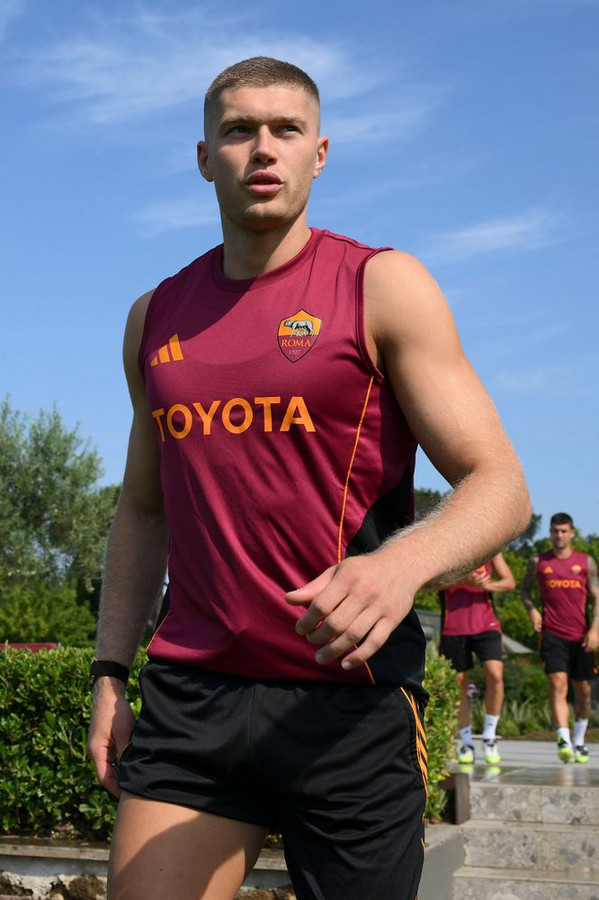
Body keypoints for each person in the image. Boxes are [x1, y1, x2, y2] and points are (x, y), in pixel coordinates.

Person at [87, 56, 531, 900]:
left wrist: (398, 566)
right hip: (194, 697)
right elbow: (144, 511)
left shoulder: (381, 286)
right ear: (204, 156)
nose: (263, 148)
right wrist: (110, 669)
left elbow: (501, 485)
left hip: (348, 702)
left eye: (285, 129)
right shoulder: (153, 317)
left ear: (318, 154)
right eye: (238, 130)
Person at [521, 512, 599, 763]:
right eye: (555, 531)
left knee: (584, 691)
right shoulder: (538, 561)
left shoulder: (586, 562)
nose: (559, 535)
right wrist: (532, 610)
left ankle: (579, 741)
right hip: (553, 634)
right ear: (550, 533)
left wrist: (595, 630)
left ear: (572, 533)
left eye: (564, 531)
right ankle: (563, 740)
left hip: (581, 636)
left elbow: (597, 598)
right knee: (558, 685)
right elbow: (525, 591)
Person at [439, 553, 515, 765]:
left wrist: (487, 585)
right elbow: (430, 583)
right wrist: (463, 580)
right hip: (453, 626)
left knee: (495, 674)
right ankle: (466, 742)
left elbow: (509, 582)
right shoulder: (445, 546)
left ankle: (489, 736)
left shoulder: (491, 548)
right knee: (459, 684)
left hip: (486, 624)